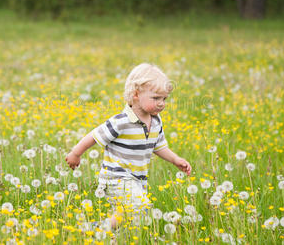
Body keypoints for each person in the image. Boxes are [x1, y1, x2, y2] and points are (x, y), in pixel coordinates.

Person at [66, 63, 192, 229]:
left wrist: (175, 159)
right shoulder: (121, 121)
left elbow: (159, 146)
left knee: (126, 216)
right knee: (140, 207)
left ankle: (96, 230)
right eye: (156, 98)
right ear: (136, 95)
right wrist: (76, 153)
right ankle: (100, 231)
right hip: (116, 179)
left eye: (164, 99)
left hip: (138, 179)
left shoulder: (156, 121)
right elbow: (94, 136)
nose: (161, 103)